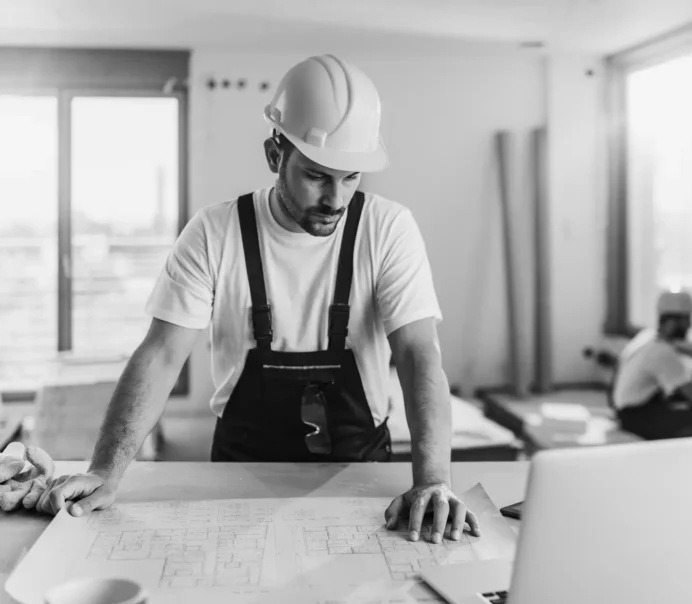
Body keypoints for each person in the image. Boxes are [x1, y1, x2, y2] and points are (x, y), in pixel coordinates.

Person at [30, 55, 480, 545]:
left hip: (360, 468)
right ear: (274, 156)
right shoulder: (215, 232)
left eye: (351, 177)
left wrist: (434, 479)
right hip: (239, 470)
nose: (336, 198)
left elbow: (418, 354)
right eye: (316, 176)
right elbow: (161, 355)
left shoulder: (387, 228)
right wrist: (105, 471)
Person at [611, 290, 692, 440]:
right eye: (687, 320)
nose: (689, 326)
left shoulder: (648, 337)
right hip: (636, 415)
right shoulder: (661, 352)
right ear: (674, 322)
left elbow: (686, 383)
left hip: (627, 410)